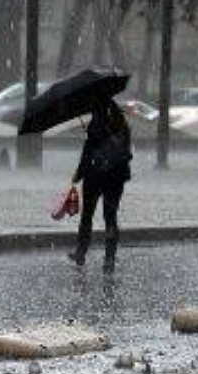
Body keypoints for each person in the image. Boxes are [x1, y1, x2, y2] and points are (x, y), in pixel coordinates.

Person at [68, 99, 132, 274]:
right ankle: (109, 258)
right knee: (110, 217)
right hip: (116, 178)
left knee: (87, 214)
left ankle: (81, 252)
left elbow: (88, 152)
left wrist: (79, 174)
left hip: (94, 176)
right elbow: (126, 152)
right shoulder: (121, 124)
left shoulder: (96, 124)